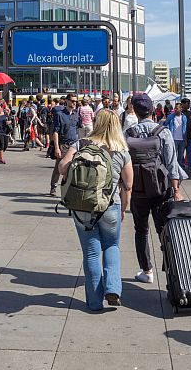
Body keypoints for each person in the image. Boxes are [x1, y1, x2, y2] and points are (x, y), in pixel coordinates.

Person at [58, 109, 133, 311]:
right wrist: (124, 208)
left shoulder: (80, 144)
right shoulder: (121, 150)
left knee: (91, 253)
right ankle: (113, 289)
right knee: (111, 246)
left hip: (82, 206)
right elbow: (128, 185)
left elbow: (63, 166)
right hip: (110, 206)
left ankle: (94, 302)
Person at [127, 93, 187, 284]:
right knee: (165, 230)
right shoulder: (163, 132)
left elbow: (123, 163)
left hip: (138, 190)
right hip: (161, 189)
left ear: (134, 111)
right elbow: (172, 164)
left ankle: (147, 271)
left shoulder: (128, 133)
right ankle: (172, 270)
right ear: (153, 110)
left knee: (141, 230)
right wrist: (176, 190)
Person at [50, 93, 82, 196]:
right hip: (63, 144)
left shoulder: (76, 114)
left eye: (75, 101)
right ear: (67, 101)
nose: (74, 103)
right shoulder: (60, 114)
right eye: (72, 101)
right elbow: (55, 132)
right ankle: (53, 187)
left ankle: (68, 187)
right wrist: (57, 148)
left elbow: (79, 128)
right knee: (59, 167)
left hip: (74, 144)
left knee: (72, 167)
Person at [164, 102, 188, 171]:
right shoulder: (171, 116)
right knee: (173, 154)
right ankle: (173, 168)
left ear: (181, 109)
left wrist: (185, 139)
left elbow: (185, 129)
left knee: (180, 155)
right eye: (175, 108)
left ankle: (179, 168)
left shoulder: (184, 117)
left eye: (177, 108)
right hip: (173, 138)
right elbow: (165, 124)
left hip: (182, 139)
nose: (175, 109)